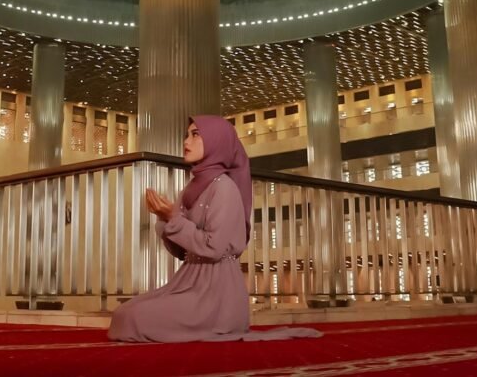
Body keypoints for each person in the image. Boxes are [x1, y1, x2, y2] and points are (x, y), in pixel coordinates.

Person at [107, 115, 321, 343]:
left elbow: (214, 248)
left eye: (195, 135)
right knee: (124, 313)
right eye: (186, 135)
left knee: (134, 317)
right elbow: (182, 252)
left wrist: (174, 219)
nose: (186, 141)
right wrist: (165, 219)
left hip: (217, 294)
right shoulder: (192, 187)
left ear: (217, 141)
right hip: (189, 282)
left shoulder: (225, 188)